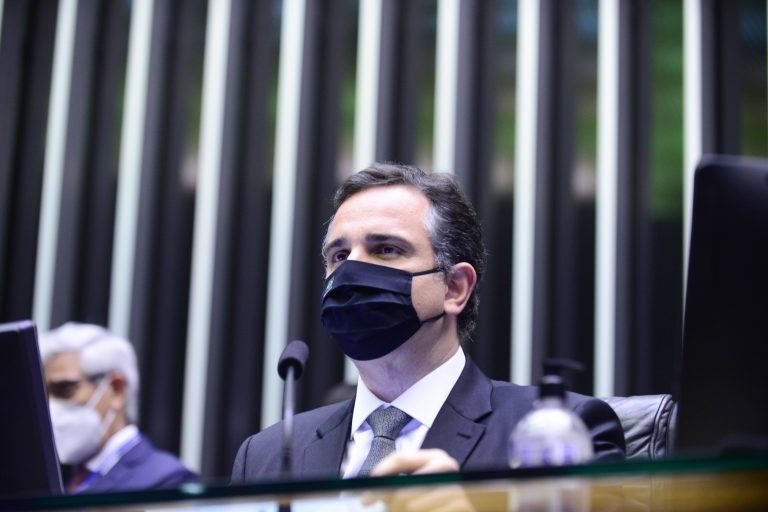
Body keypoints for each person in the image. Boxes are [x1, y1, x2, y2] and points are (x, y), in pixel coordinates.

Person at [232, 163, 625, 483]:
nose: (351, 271)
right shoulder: (265, 456)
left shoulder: (558, 432)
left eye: (386, 249)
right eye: (338, 256)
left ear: (455, 288)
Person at [39, 322, 199, 493]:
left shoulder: (167, 480)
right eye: (46, 395)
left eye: (66, 389)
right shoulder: (57, 477)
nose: (51, 407)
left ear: (116, 390)